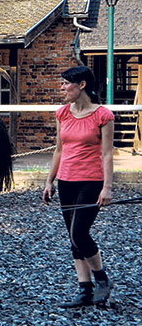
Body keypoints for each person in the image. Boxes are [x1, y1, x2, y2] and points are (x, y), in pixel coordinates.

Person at [42, 65, 114, 308]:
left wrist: (107, 187)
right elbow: (59, 150)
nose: (62, 88)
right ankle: (85, 290)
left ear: (82, 85)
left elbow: (107, 155)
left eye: (65, 83)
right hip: (66, 180)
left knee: (79, 233)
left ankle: (102, 279)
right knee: (73, 237)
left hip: (91, 180)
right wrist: (50, 181)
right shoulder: (62, 113)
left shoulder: (102, 115)